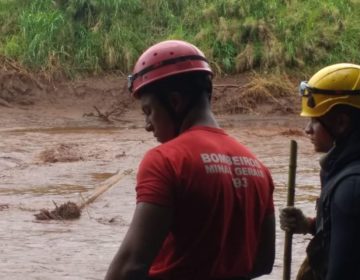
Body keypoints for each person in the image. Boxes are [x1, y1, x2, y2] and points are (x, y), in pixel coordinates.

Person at [105, 40, 275, 280]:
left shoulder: (166, 161)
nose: (147, 125)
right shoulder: (258, 168)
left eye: (148, 111)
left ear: (175, 102)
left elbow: (129, 269)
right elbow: (263, 263)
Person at [280, 63, 360, 280]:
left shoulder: (349, 187)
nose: (307, 129)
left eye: (314, 120)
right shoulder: (341, 171)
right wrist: (309, 225)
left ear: (341, 123)